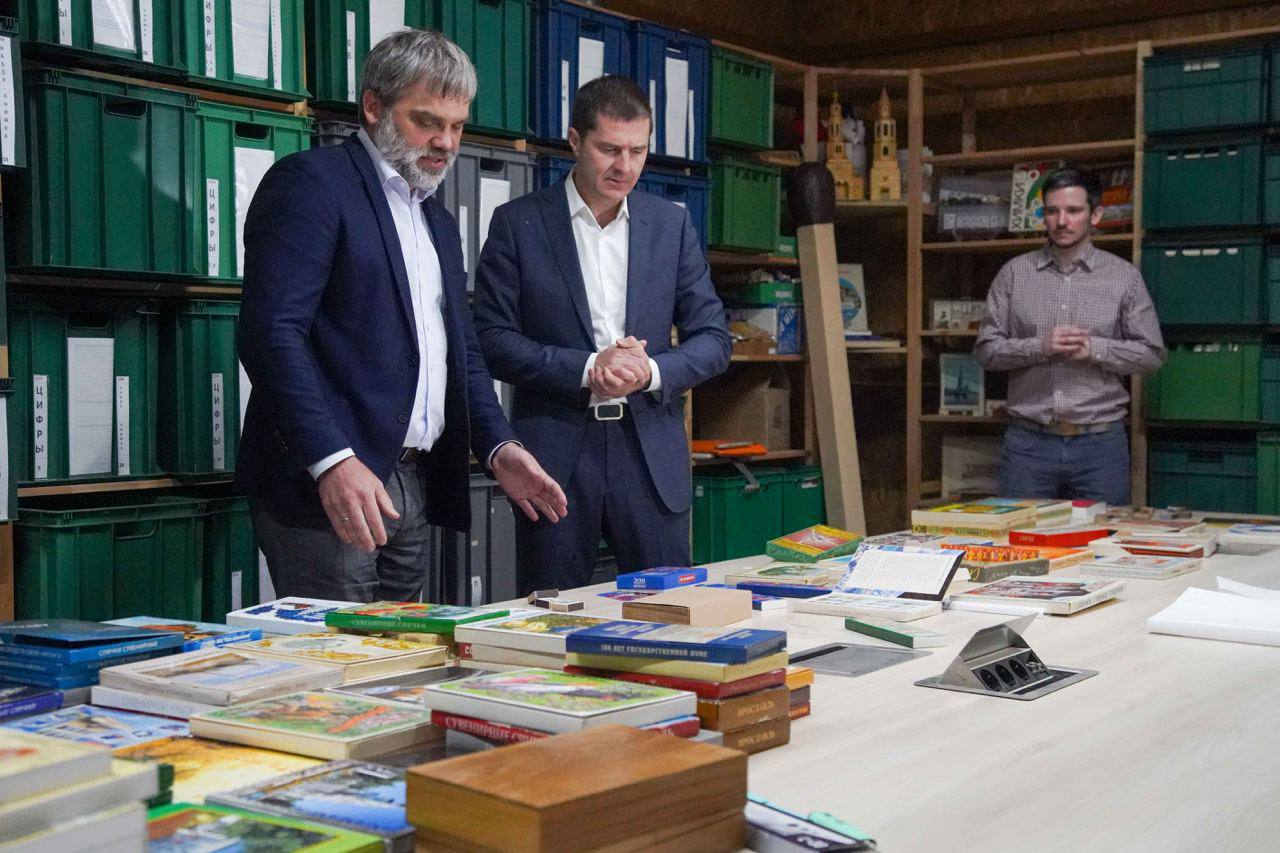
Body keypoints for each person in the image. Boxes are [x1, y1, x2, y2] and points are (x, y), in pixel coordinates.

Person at [236, 29, 566, 603]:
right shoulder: (312, 184)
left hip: (412, 481)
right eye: (427, 122)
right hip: (329, 485)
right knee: (339, 657)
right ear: (373, 106)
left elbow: (459, 352)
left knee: (403, 652)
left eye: (457, 127)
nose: (446, 143)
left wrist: (499, 447)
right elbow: (271, 334)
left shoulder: (435, 218)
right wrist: (331, 461)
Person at [473, 75, 731, 593]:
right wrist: (590, 368)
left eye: (638, 151)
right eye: (609, 149)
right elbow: (491, 340)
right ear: (575, 141)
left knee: (669, 611)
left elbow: (714, 339)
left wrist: (648, 371)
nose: (625, 166)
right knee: (553, 617)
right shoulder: (518, 224)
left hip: (649, 453)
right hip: (557, 456)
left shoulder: (670, 225)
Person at [973, 166, 1165, 505]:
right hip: (1028, 445)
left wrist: (1095, 349)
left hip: (1100, 447)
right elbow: (986, 351)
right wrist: (1039, 347)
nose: (1062, 221)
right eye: (1052, 211)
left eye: (1073, 210)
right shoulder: (1014, 274)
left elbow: (1152, 354)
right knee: (1021, 535)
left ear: (1096, 215)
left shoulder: (1123, 277)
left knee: (1102, 536)